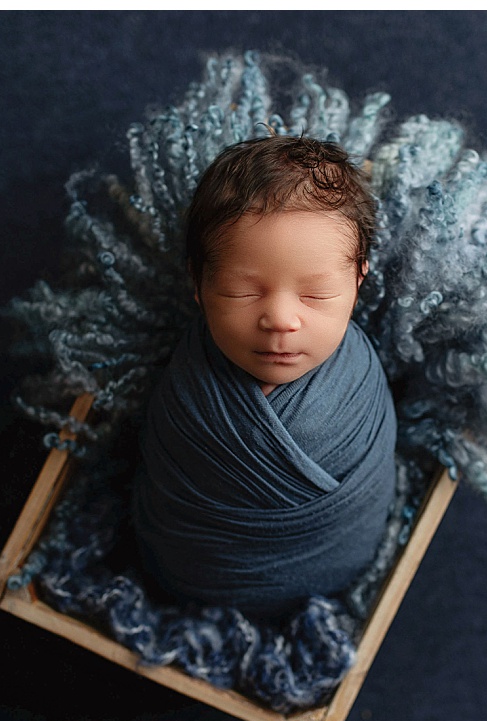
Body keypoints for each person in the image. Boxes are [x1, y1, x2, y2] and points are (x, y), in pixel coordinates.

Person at [131, 135, 398, 620]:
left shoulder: (358, 382)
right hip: (187, 576)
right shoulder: (190, 381)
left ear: (359, 280)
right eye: (241, 291)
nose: (280, 319)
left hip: (331, 582)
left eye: (316, 295)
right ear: (199, 283)